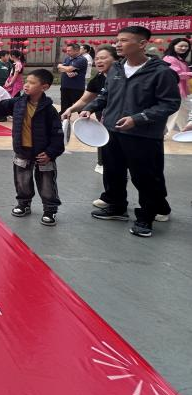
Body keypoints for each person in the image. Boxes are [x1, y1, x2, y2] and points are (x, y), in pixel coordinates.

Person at [81, 26, 181, 238]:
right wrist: (89, 108)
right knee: (113, 172)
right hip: (112, 131)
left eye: (124, 40)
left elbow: (170, 104)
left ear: (142, 44)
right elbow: (105, 95)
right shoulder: (116, 69)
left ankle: (146, 217)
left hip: (143, 135)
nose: (118, 44)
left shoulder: (161, 72)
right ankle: (117, 207)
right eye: (117, 40)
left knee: (145, 177)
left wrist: (138, 119)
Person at [0, 69, 64, 226]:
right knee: (22, 181)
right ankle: (24, 204)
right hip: (22, 151)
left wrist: (50, 153)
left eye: (32, 83)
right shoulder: (18, 103)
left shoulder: (49, 110)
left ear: (44, 87)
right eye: (26, 81)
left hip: (44, 154)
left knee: (47, 183)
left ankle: (50, 210)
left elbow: (58, 135)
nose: (26, 85)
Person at [61, 45, 119, 175]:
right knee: (105, 141)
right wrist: (71, 109)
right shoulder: (98, 78)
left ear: (117, 60)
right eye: (97, 58)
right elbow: (85, 100)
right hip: (105, 119)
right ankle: (101, 164)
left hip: (125, 122)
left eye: (103, 58)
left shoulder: (125, 77)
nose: (98, 61)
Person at [162, 37, 191, 132]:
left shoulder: (179, 59)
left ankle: (185, 132)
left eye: (186, 46)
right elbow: (177, 74)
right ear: (173, 46)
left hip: (182, 90)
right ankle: (165, 133)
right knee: (176, 114)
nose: (184, 48)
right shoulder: (169, 58)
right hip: (175, 90)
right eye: (181, 46)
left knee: (182, 113)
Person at [57, 43, 88, 112]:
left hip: (76, 88)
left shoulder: (81, 59)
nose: (67, 52)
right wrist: (67, 71)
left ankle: (83, 119)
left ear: (76, 50)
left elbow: (68, 68)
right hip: (65, 87)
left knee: (80, 108)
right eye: (67, 50)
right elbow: (60, 69)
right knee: (64, 108)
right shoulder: (67, 58)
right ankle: (64, 118)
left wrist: (61, 66)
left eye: (69, 51)